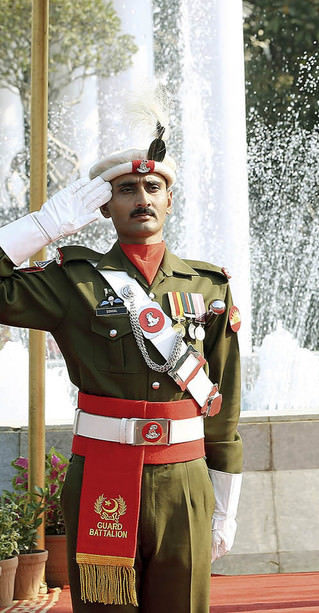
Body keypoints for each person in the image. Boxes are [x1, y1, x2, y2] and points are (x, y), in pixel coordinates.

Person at [0, 116, 243, 613]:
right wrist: (46, 225)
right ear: (105, 207)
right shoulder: (74, 281)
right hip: (102, 474)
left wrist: (226, 505)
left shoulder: (208, 286)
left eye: (153, 187)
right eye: (126, 189)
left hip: (186, 482)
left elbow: (225, 404)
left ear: (169, 199)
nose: (142, 198)